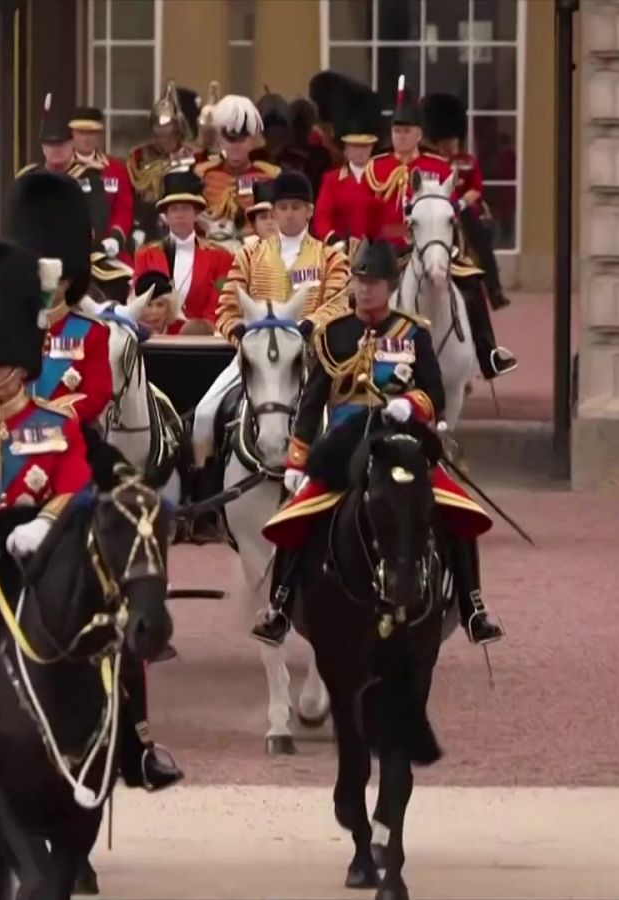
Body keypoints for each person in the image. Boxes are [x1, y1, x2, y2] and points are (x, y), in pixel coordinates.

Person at [0, 240, 181, 814]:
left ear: (24, 361)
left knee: (117, 635)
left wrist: (44, 522)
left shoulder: (56, 424)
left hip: (42, 552)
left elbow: (75, 488)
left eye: (3, 361)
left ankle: (138, 744)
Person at [256, 240, 506, 646]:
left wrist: (411, 403)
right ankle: (280, 605)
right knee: (298, 512)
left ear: (390, 287)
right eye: (360, 280)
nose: (365, 289)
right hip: (345, 436)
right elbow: (312, 400)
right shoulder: (332, 334)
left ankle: (472, 604)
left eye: (374, 283)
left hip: (401, 433)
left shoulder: (412, 332)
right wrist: (298, 461)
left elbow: (435, 395)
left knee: (454, 503)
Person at [189, 171, 350, 468]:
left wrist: (310, 325)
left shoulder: (331, 258)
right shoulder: (249, 256)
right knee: (203, 414)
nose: (289, 215)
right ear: (274, 212)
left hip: (314, 358)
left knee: (349, 419)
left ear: (310, 211)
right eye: (283, 208)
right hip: (255, 357)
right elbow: (226, 308)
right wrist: (240, 335)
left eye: (297, 207)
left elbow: (338, 304)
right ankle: (206, 495)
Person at [363, 79, 516, 381]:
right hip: (389, 247)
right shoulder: (376, 166)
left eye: (406, 131)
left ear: (419, 134)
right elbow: (368, 212)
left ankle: (488, 354)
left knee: (471, 286)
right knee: (358, 294)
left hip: (432, 244)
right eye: (396, 131)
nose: (401, 136)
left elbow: (452, 205)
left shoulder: (439, 166)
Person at [7, 169, 116, 425]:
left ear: (68, 281)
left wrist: (52, 413)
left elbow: (99, 393)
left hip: (70, 438)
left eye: (55, 281)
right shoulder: (10, 328)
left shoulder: (92, 333)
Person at [422, 92, 511, 311]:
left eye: (451, 141)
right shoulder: (430, 162)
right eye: (443, 142)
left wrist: (461, 203)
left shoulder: (467, 161)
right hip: (437, 207)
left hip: (461, 208)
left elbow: (476, 188)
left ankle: (494, 289)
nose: (448, 146)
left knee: (480, 236)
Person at [131, 170, 234, 330]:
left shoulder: (220, 256)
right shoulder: (145, 254)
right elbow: (139, 302)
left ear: (196, 213)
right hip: (158, 337)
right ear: (166, 216)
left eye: (185, 208)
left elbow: (220, 300)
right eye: (174, 209)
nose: (180, 214)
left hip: (203, 338)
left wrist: (201, 329)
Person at [194, 94, 281, 251]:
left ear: (253, 139)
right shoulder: (203, 174)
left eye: (242, 139)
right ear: (220, 139)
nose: (236, 146)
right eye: (230, 139)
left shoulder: (269, 175)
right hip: (210, 248)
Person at [311, 72, 382, 246]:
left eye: (364, 147)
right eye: (354, 146)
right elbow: (322, 217)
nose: (359, 152)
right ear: (346, 149)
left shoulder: (385, 179)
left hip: (376, 252)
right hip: (340, 250)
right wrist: (333, 240)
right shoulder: (331, 180)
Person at [128, 81, 204, 242]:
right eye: (159, 134)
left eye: (169, 133)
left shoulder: (195, 155)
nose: (163, 139)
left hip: (183, 218)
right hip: (146, 219)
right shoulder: (139, 155)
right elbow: (134, 192)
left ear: (178, 130)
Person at [68, 105, 138, 266]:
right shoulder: (63, 169)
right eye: (81, 132)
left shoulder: (115, 169)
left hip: (109, 249)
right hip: (72, 249)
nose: (86, 138)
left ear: (99, 135)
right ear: (72, 134)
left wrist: (116, 236)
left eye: (91, 133)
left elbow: (124, 208)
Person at [131, 270, 183, 335]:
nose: (154, 311)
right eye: (148, 305)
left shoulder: (182, 330)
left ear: (169, 307)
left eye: (160, 305)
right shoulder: (128, 331)